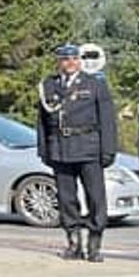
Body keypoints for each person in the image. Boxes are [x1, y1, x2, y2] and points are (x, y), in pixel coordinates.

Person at [37, 43, 119, 263]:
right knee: (66, 198)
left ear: (80, 61)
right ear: (59, 62)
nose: (70, 63)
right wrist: (44, 149)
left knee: (95, 197)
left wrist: (108, 149)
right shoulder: (49, 85)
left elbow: (107, 120)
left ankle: (94, 242)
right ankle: (73, 242)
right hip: (61, 148)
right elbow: (43, 121)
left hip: (88, 147)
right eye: (65, 59)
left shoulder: (94, 84)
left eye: (74, 59)